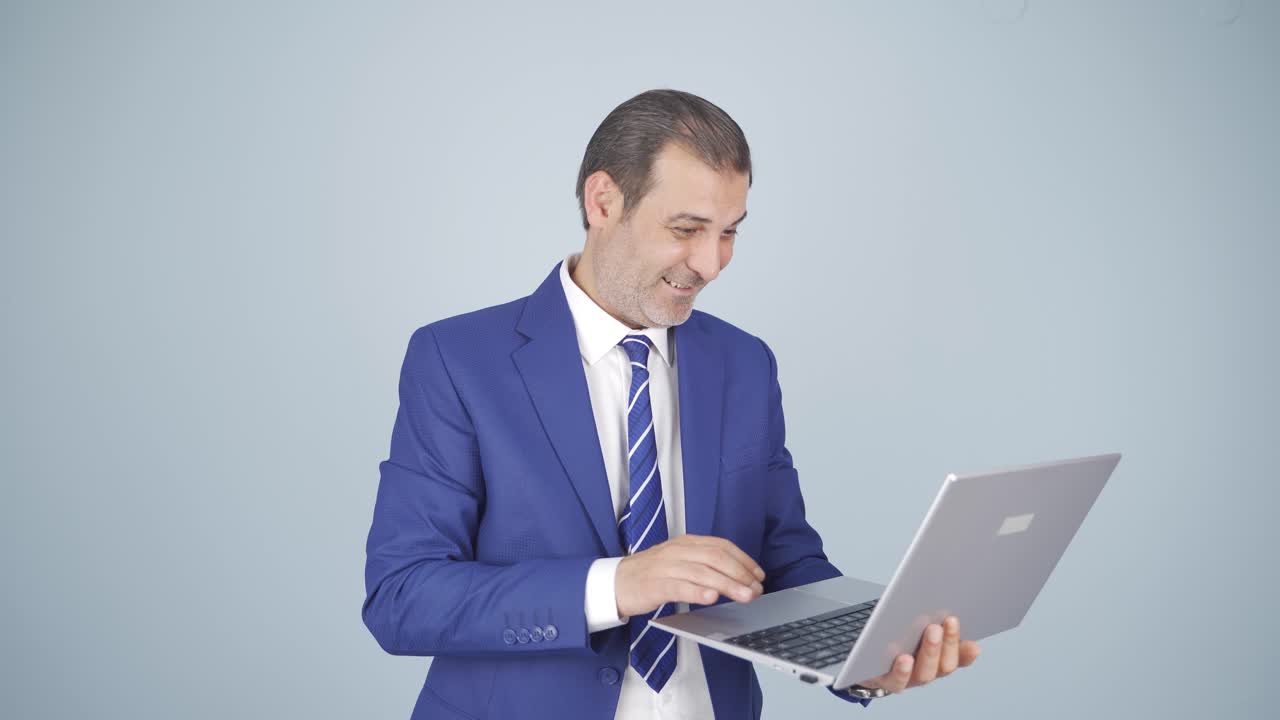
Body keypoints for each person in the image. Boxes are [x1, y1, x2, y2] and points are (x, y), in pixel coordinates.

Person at [362, 88, 981, 720]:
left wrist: (868, 651)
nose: (711, 263)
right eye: (686, 229)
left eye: (729, 233)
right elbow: (402, 597)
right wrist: (618, 584)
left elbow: (781, 557)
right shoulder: (458, 359)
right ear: (603, 201)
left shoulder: (744, 363)